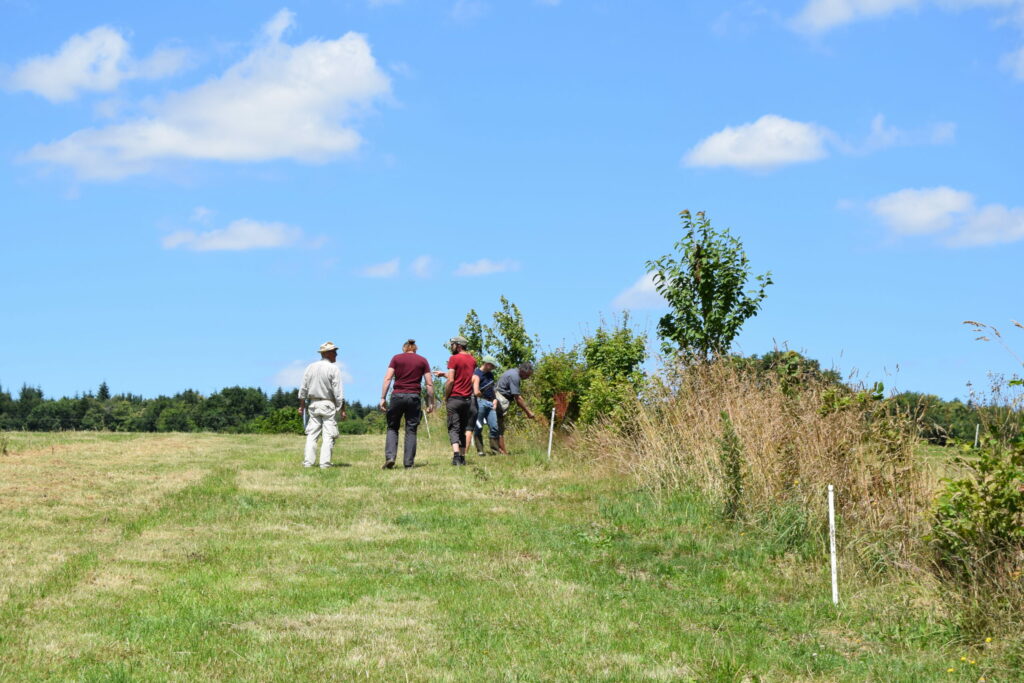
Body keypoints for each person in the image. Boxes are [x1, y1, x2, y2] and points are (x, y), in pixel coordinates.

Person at [379, 339, 434, 469]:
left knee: (392, 427)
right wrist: (430, 402)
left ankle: (390, 457)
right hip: (414, 397)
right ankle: (408, 463)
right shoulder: (423, 360)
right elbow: (429, 383)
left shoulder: (396, 358)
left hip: (397, 396)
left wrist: (383, 397)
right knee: (411, 430)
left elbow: (388, 378)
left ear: (404, 348)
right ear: (415, 349)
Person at [298, 341, 347, 468]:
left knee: (312, 434)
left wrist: (301, 406)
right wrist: (341, 409)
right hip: (328, 404)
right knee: (328, 434)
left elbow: (303, 388)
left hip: (313, 404)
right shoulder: (333, 369)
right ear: (327, 353)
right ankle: (325, 463)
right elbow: (338, 392)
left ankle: (308, 462)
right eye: (334, 352)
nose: (336, 354)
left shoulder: (310, 367)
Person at [437, 335, 477, 465]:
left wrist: (446, 395)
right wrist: (444, 374)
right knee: (463, 428)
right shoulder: (473, 360)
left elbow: (451, 380)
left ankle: (456, 457)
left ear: (458, 345)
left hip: (454, 398)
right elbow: (465, 377)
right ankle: (463, 457)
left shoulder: (453, 359)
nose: (451, 347)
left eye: (452, 345)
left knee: (453, 427)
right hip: (467, 400)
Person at [494, 361, 537, 455]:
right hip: (500, 400)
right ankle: (503, 452)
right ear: (523, 371)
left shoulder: (512, 372)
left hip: (498, 398)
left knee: (497, 425)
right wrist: (528, 412)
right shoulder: (515, 376)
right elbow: (517, 398)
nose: (527, 377)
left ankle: (498, 449)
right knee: (499, 427)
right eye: (527, 375)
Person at [473, 356, 500, 456]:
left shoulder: (491, 375)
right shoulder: (476, 374)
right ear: (487, 364)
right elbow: (475, 391)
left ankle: (495, 450)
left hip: (490, 403)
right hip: (479, 401)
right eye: (492, 366)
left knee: (494, 426)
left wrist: (495, 399)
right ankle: (480, 450)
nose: (493, 368)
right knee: (478, 427)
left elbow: (492, 389)